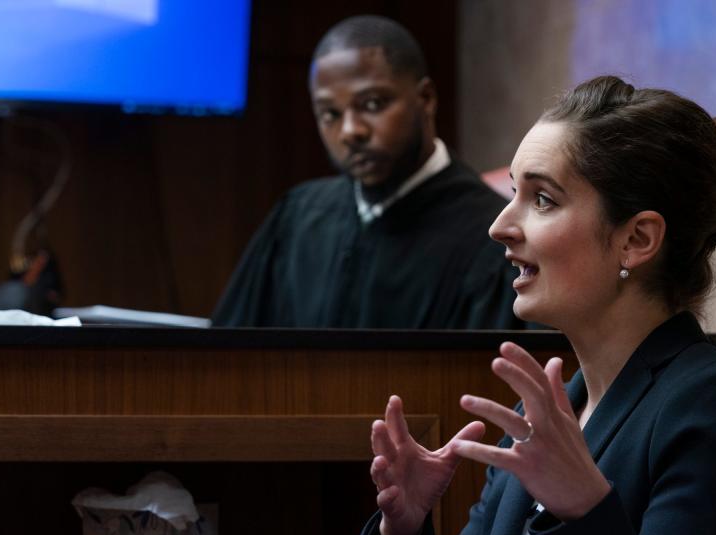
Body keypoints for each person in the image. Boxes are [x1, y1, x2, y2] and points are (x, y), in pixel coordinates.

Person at [357, 76, 716, 535]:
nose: (499, 226)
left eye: (541, 199)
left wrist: (584, 512)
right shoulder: (548, 413)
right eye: (512, 192)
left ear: (636, 239)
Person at [212, 16, 519, 329]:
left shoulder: (494, 238)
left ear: (425, 99)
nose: (350, 131)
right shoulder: (297, 218)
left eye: (372, 104)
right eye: (330, 113)